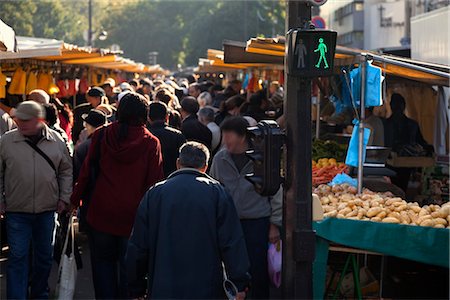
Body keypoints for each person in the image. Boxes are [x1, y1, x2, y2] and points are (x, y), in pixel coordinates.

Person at [127, 142, 250, 300]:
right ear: (205, 166)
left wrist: (136, 286)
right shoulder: (217, 193)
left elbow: (138, 246)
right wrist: (239, 283)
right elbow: (232, 242)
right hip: (206, 287)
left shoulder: (155, 193)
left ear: (178, 163)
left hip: (163, 285)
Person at [71, 92, 164, 299]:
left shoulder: (102, 135)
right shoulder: (150, 143)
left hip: (101, 211)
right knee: (129, 269)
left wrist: (74, 199)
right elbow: (154, 185)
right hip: (133, 217)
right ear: (145, 114)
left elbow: (86, 172)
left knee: (102, 266)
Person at [0, 101, 72, 299]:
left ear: (40, 120)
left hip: (47, 210)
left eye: (26, 120)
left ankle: (39, 293)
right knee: (18, 257)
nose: (20, 124)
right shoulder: (6, 141)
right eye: (18, 120)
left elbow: (66, 170)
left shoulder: (56, 140)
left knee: (44, 258)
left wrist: (64, 198)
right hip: (16, 210)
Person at [210, 116, 282, 299]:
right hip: (229, 223)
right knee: (231, 268)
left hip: (256, 222)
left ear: (242, 136)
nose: (225, 140)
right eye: (224, 135)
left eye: (228, 135)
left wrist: (274, 224)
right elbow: (213, 189)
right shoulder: (220, 159)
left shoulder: (261, 158)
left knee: (257, 270)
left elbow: (275, 193)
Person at [384, 93, 433, 191]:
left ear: (404, 106)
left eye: (399, 104)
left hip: (406, 163)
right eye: (395, 104)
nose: (397, 107)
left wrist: (428, 148)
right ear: (391, 106)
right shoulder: (385, 124)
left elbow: (420, 142)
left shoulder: (412, 125)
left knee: (403, 187)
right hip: (389, 163)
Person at [148, 101, 186, 177]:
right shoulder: (177, 135)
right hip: (173, 178)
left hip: (151, 178)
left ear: (148, 117)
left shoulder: (146, 135)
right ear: (167, 117)